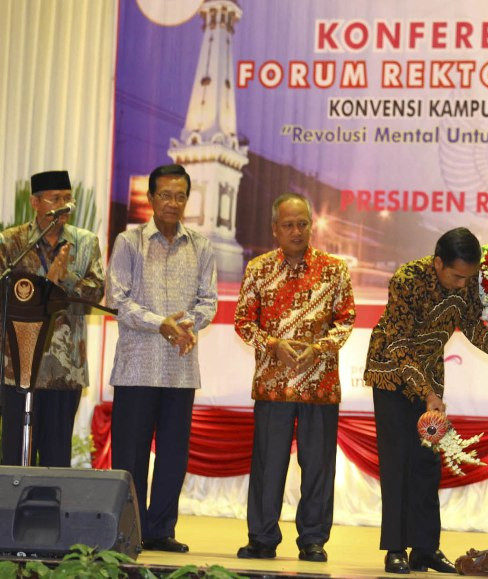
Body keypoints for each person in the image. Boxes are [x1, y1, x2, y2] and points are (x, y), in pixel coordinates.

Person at [364, 227, 488, 574]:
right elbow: (399, 344)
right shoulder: (407, 279)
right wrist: (427, 393)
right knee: (398, 462)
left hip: (430, 379)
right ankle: (395, 549)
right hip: (391, 374)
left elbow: (472, 326)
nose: (462, 284)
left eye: (467, 278)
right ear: (438, 263)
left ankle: (425, 549)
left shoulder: (466, 281)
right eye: (456, 276)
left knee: (427, 464)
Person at [234, 193, 355, 562]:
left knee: (318, 467)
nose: (297, 231)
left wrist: (319, 349)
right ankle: (262, 538)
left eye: (303, 223)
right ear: (275, 229)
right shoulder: (258, 269)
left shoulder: (334, 269)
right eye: (288, 225)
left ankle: (313, 539)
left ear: (311, 225)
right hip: (273, 385)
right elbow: (243, 322)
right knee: (268, 465)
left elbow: (346, 321)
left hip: (320, 384)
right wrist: (273, 345)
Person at [107, 163, 217, 553]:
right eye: (165, 195)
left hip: (179, 368)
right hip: (136, 367)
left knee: (173, 456)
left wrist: (185, 325)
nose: (173, 203)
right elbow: (117, 300)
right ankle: (128, 531)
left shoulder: (201, 246)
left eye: (180, 196)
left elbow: (209, 302)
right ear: (151, 197)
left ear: (188, 199)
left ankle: (160, 530)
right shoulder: (129, 242)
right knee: (130, 455)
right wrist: (161, 324)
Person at [0, 170, 104, 467]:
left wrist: (64, 276)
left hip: (64, 369)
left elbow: (96, 293)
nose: (64, 206)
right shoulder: (12, 242)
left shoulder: (85, 242)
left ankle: (50, 501)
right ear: (35, 202)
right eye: (55, 199)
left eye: (68, 199)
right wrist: (45, 282)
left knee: (56, 460)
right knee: (15, 459)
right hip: (17, 367)